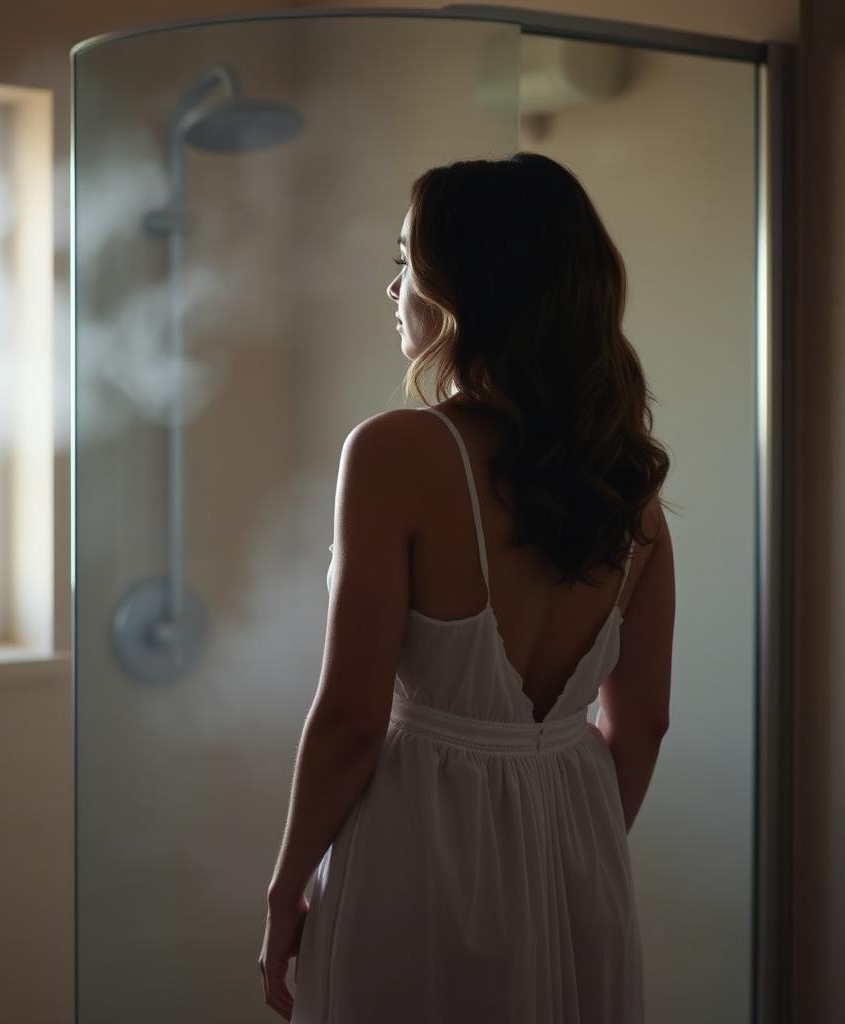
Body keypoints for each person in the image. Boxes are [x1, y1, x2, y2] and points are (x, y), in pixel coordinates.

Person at [260, 152, 677, 1022]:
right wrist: (567, 849)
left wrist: (284, 891)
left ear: (463, 288)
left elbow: (348, 721)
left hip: (418, 853)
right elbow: (641, 722)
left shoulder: (396, 453)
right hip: (575, 856)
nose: (394, 286)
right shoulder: (628, 485)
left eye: (406, 260)